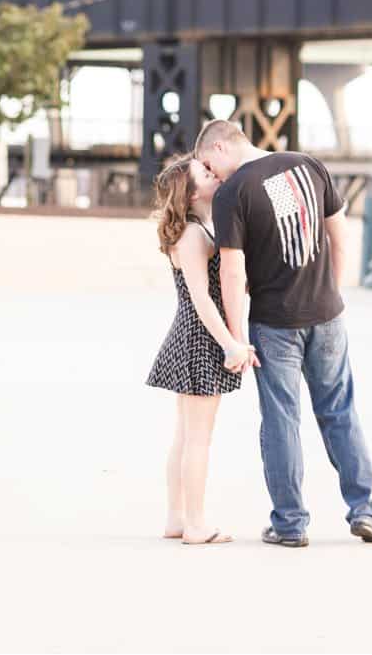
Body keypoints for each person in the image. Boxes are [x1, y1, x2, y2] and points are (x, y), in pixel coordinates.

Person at [194, 119, 372, 548]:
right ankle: (365, 511)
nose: (213, 175)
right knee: (340, 413)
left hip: (274, 324)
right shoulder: (305, 166)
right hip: (326, 316)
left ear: (223, 147)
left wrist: (236, 336)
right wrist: (332, 295)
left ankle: (290, 524)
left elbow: (232, 269)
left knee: (282, 420)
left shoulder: (234, 193)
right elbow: (336, 235)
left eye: (210, 164)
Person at [145, 153, 256, 546]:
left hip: (191, 336)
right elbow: (200, 299)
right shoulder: (193, 235)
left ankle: (177, 518)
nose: (213, 174)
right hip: (199, 339)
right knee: (198, 440)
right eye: (205, 174)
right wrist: (231, 344)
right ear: (191, 195)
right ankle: (195, 523)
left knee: (185, 435)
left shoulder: (197, 228)